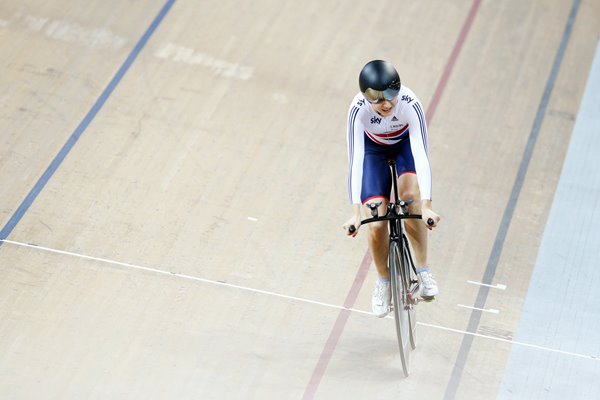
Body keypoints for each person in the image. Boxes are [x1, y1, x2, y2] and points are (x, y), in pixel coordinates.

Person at [342, 60, 441, 318]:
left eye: (391, 96)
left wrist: (427, 206)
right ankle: (383, 282)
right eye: (379, 99)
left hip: (405, 145)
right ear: (366, 98)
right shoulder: (357, 110)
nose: (387, 104)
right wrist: (355, 212)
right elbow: (355, 161)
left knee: (409, 198)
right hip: (373, 151)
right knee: (375, 222)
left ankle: (423, 271)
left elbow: (421, 154)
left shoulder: (410, 103)